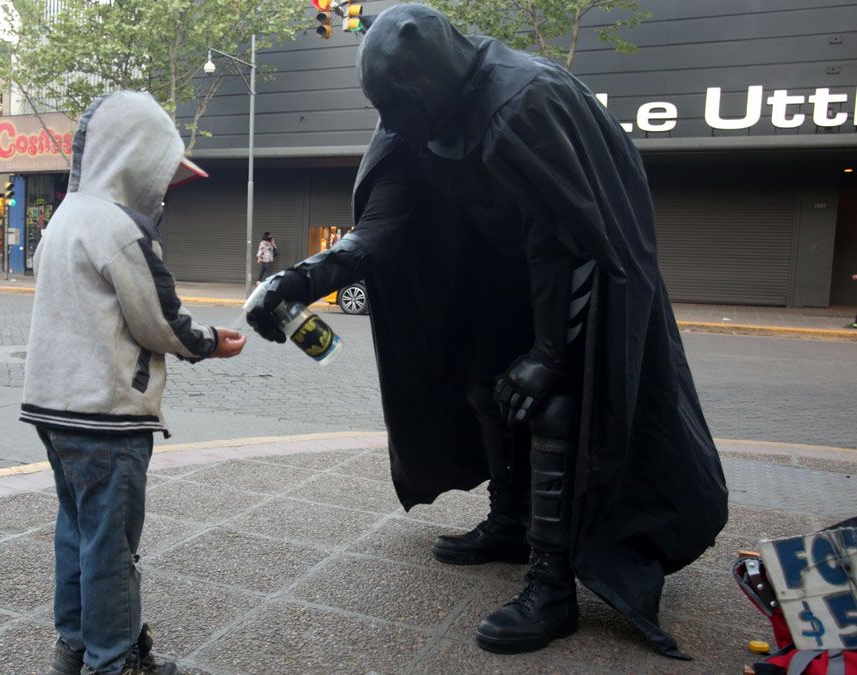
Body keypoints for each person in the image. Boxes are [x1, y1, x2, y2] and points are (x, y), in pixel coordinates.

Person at [245, 4, 727, 659]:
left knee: (552, 405)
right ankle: (509, 520)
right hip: (502, 278)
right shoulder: (414, 119)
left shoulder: (526, 100)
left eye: (399, 105)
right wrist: (299, 280)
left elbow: (572, 238)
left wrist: (549, 352)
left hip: (578, 281)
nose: (392, 122)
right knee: (484, 385)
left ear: (431, 79)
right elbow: (384, 224)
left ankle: (552, 586)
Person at [20, 90, 245, 675]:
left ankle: (74, 646)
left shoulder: (64, 218)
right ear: (136, 160)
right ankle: (115, 662)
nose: (163, 190)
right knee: (112, 548)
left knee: (76, 532)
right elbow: (158, 320)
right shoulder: (120, 228)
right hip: (107, 415)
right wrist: (210, 342)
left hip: (52, 409)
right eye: (160, 173)